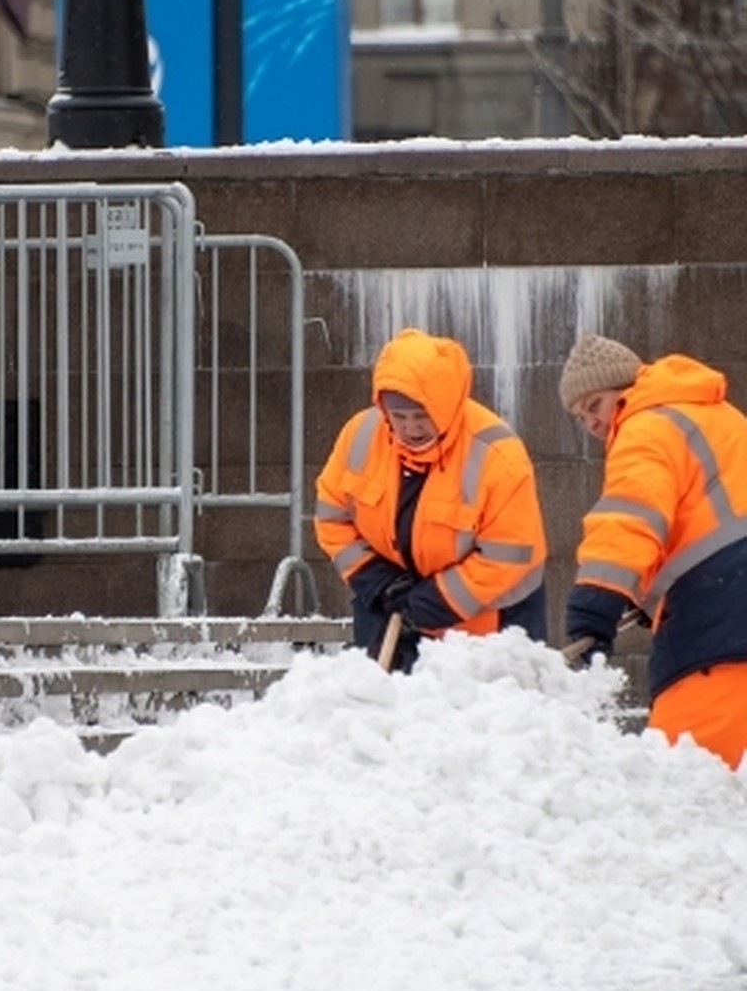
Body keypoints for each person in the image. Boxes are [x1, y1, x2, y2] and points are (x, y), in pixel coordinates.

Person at [560, 329, 747, 771]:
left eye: (595, 406)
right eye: (580, 417)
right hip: (728, 600)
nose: (592, 424)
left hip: (723, 621)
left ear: (625, 389)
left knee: (689, 775)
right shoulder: (715, 415)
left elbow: (630, 517)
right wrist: (652, 596)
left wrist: (595, 603)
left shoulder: (645, 425)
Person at [314, 327, 548, 673]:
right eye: (399, 416)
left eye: (421, 416)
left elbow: (507, 553)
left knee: (478, 722)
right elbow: (333, 517)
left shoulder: (497, 457)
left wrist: (428, 603)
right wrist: (377, 581)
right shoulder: (361, 435)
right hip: (386, 604)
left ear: (445, 406)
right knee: (380, 716)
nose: (410, 428)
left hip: (486, 622)